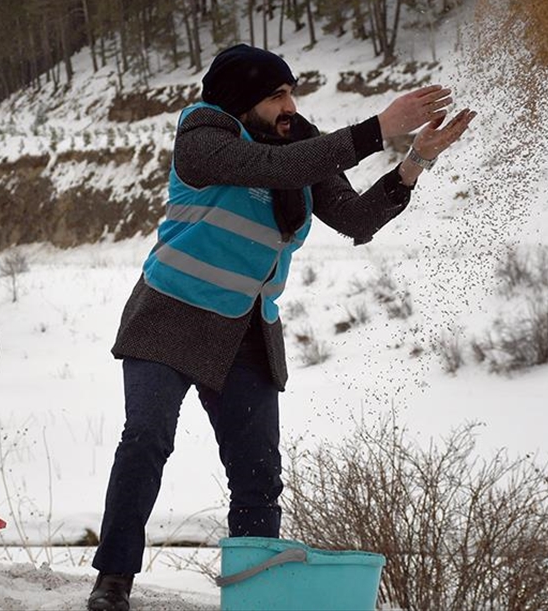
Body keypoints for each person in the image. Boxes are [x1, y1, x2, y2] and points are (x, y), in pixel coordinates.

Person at [86, 44, 476, 611]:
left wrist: (414, 160)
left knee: (258, 475)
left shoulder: (299, 145)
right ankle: (113, 582)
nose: (290, 105)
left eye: (292, 92)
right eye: (277, 96)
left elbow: (356, 219)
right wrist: (377, 129)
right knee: (146, 440)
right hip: (169, 315)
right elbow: (271, 169)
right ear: (244, 100)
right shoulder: (203, 135)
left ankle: (257, 597)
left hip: (247, 331)